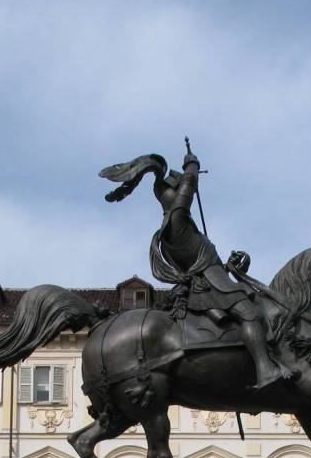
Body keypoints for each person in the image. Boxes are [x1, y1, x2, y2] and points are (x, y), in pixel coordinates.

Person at [100, 144, 292, 389]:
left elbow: (202, 259)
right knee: (251, 314)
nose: (183, 189)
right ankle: (265, 370)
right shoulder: (176, 222)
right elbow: (188, 190)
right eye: (178, 189)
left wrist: (230, 265)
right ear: (174, 196)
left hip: (214, 279)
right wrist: (192, 166)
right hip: (211, 286)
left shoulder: (176, 227)